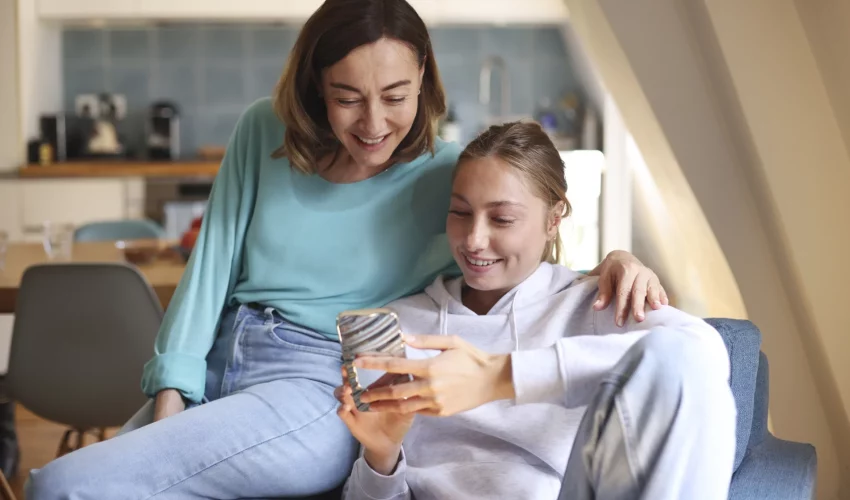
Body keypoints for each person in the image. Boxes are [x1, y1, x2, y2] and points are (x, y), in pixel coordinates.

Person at [25, 1, 668, 498]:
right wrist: (171, 394)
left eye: (396, 97)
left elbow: (515, 243)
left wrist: (615, 262)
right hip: (222, 358)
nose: (374, 123)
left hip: (318, 385)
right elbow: (209, 270)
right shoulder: (262, 132)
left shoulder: (447, 175)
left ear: (423, 77)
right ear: (315, 86)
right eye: (346, 98)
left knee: (57, 486)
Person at [336, 121, 736, 500]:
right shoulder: (399, 324)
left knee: (677, 358)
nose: (474, 240)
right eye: (460, 212)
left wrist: (500, 376)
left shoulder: (593, 304)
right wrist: (382, 456)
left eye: (502, 218)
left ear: (553, 219)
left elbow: (698, 353)